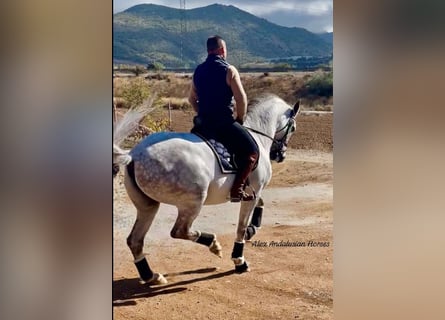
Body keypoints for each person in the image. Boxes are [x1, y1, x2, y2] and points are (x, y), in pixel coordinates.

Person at [188, 35, 259, 202]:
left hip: (202, 125)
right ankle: (237, 190)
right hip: (223, 124)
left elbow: (191, 99)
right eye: (225, 49)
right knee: (251, 151)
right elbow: (241, 99)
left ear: (208, 50)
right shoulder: (229, 70)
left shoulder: (198, 70)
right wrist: (240, 119)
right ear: (221, 50)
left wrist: (202, 113)